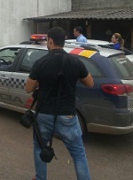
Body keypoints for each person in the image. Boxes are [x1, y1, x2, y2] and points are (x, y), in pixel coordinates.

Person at [25, 27, 94, 180]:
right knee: (78, 154)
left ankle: (40, 178)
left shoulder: (41, 62)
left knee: (40, 147)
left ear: (50, 41)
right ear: (63, 42)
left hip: (43, 114)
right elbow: (90, 83)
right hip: (68, 115)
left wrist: (39, 83)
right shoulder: (75, 62)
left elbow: (28, 88)